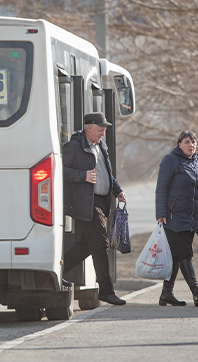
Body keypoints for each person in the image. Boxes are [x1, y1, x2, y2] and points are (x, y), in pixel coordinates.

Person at [62, 112, 128, 306]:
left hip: (101, 202)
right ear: (89, 127)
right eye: (100, 129)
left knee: (85, 246)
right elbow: (61, 170)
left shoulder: (101, 146)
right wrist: (82, 175)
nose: (102, 133)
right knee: (100, 245)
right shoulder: (74, 146)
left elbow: (107, 174)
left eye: (104, 130)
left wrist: (117, 191)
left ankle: (57, 271)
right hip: (86, 203)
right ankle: (106, 292)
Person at [155, 131, 198, 306]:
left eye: (193, 142)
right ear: (179, 144)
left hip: (191, 218)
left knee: (176, 257)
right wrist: (161, 214)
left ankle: (166, 294)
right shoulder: (170, 160)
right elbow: (161, 188)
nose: (191, 145)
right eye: (187, 142)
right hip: (173, 217)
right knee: (185, 254)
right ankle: (196, 292)